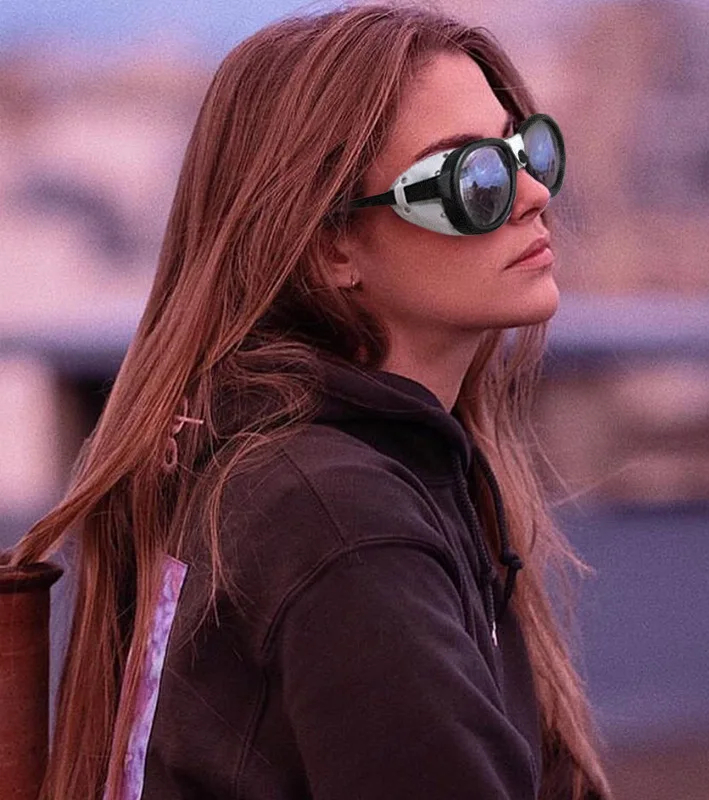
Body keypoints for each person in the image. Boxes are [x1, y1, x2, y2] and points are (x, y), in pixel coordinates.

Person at [12, 4, 612, 799]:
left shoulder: (252, 463)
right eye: (475, 179)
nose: (533, 193)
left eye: (523, 151)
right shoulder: (341, 522)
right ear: (332, 246)